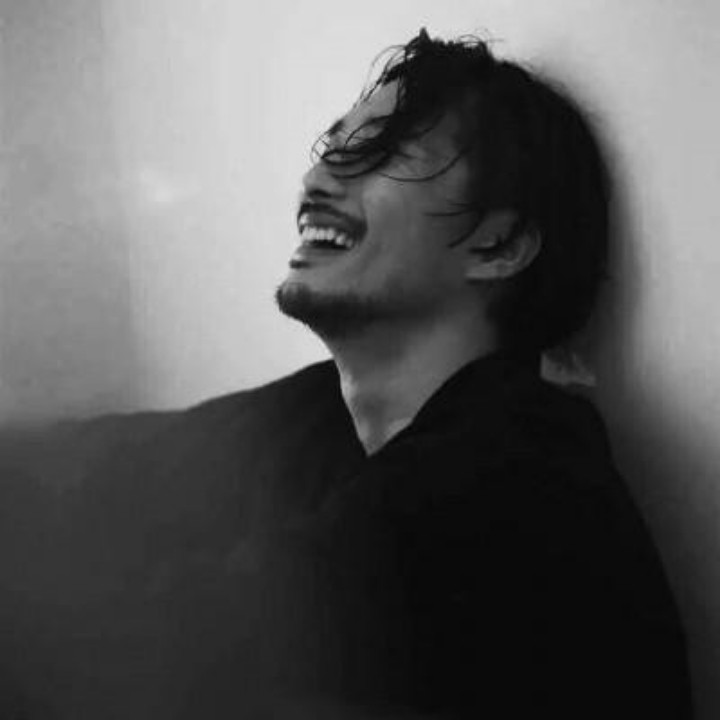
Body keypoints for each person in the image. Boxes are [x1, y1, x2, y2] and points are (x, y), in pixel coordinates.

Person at [0, 29, 692, 719]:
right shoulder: (327, 415)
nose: (315, 181)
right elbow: (96, 467)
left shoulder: (521, 477)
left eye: (380, 155)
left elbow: (134, 646)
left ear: (499, 244)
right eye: (332, 150)